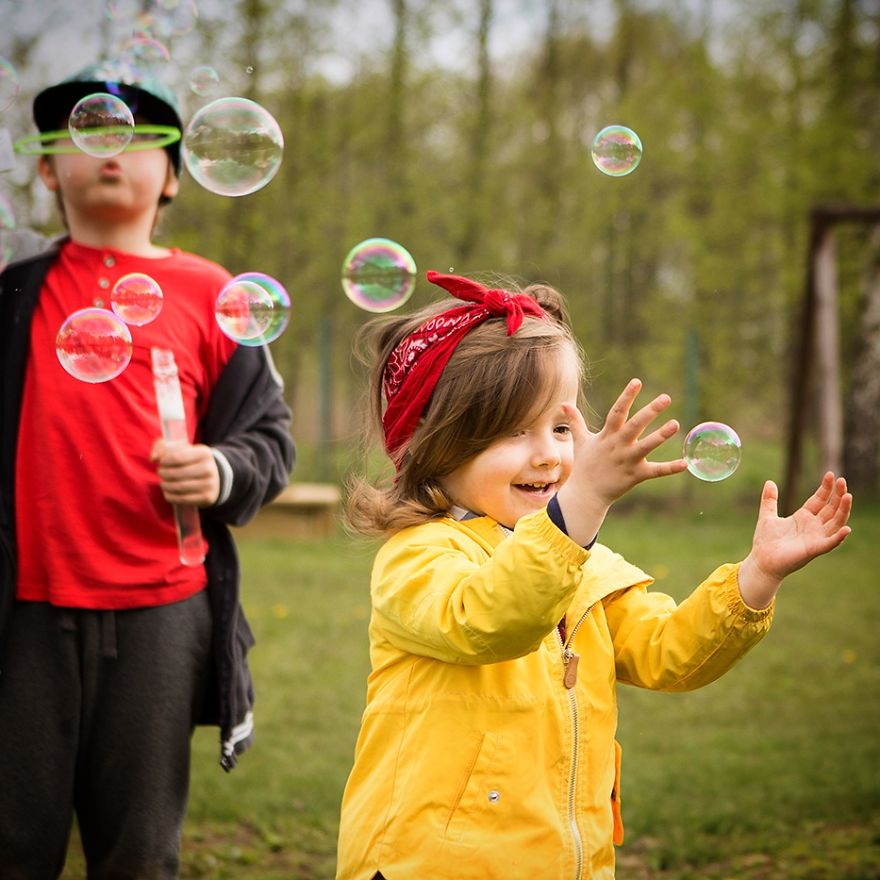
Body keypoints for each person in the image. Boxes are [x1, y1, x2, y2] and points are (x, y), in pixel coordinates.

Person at [335, 270, 852, 880]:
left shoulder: (581, 565)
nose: (549, 454)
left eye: (560, 427)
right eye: (511, 431)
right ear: (434, 446)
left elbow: (671, 653)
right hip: (434, 864)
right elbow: (491, 620)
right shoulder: (418, 556)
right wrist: (581, 505)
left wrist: (757, 577)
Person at [0, 60, 295, 878]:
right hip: (22, 612)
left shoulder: (215, 295)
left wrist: (222, 469)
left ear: (173, 173)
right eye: (84, 134)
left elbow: (270, 439)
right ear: (47, 167)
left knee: (139, 851)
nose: (109, 151)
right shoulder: (13, 294)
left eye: (134, 140)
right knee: (12, 842)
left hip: (162, 614)